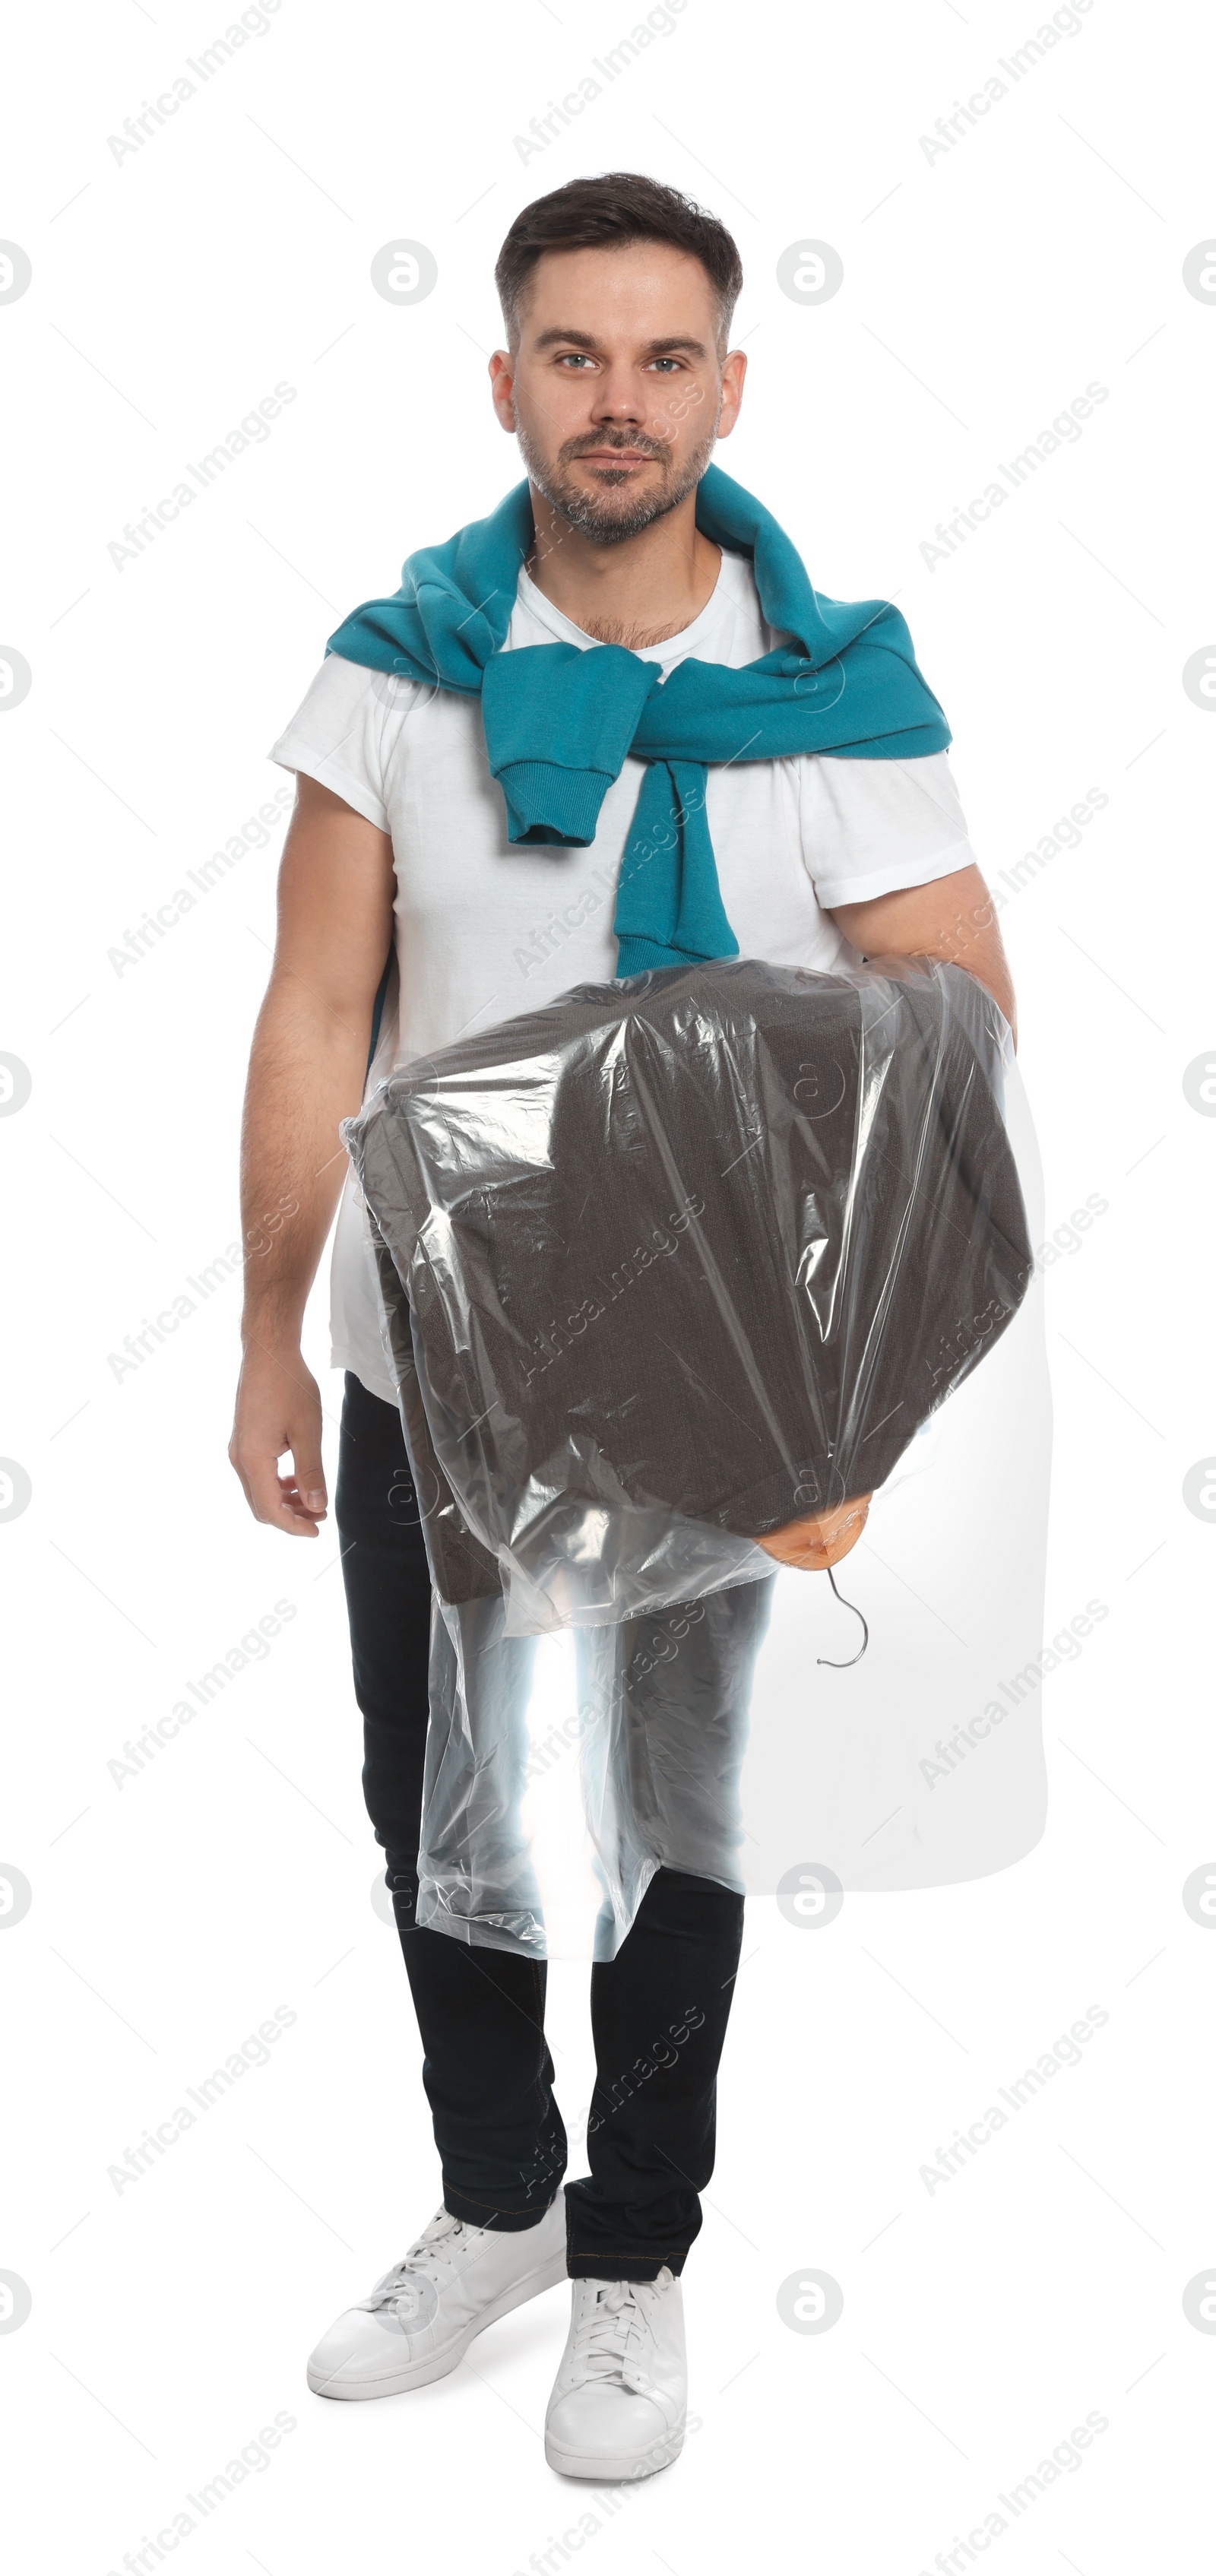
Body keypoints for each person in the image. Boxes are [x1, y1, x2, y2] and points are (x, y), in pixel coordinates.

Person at [229, 170, 1015, 2483]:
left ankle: (634, 2259)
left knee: (671, 1820)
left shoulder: (826, 698)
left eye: (666, 359)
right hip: (427, 1360)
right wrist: (270, 1338)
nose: (619, 401)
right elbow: (310, 1019)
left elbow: (954, 1037)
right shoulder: (391, 678)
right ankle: (489, 2203)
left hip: (710, 1380)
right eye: (574, 355)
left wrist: (854, 1412)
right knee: (432, 1804)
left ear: (730, 390)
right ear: (505, 383)